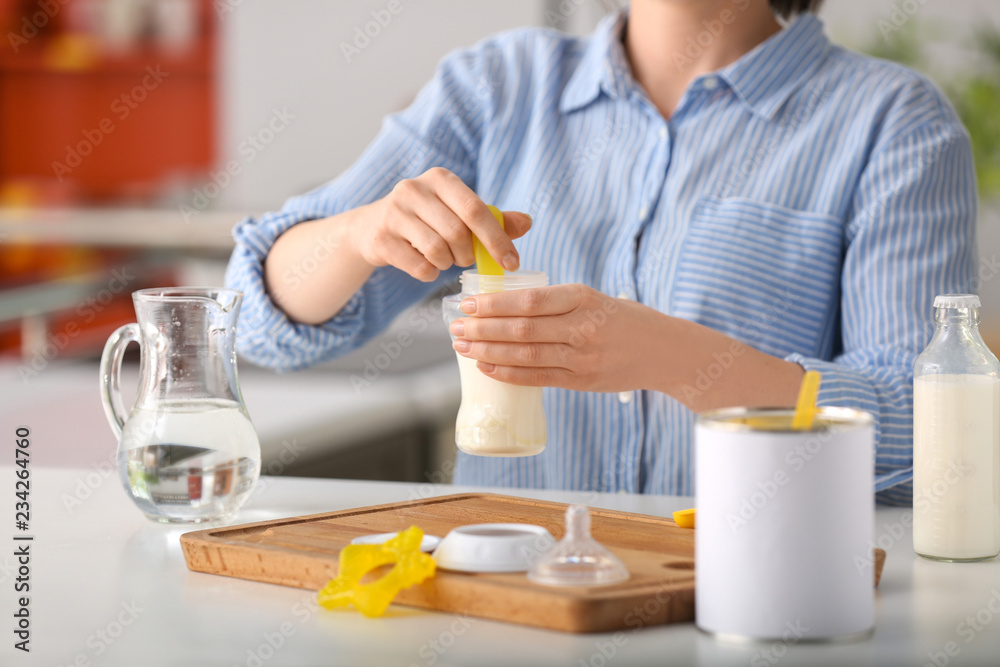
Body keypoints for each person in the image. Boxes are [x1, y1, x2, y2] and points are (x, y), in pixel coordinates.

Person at [225, 0, 977, 505]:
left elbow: (931, 426)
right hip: (516, 602)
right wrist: (357, 234)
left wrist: (682, 361)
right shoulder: (495, 88)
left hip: (756, 604)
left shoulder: (894, 124)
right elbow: (259, 323)